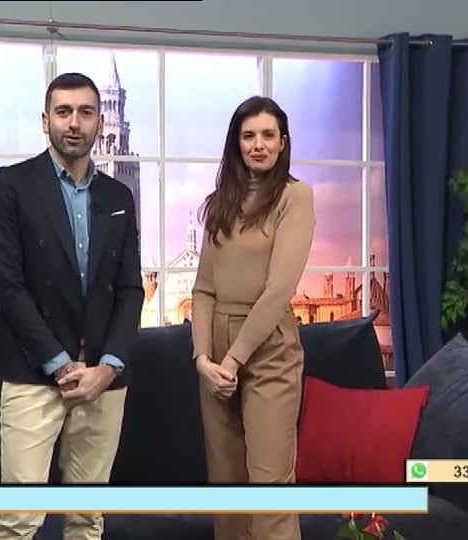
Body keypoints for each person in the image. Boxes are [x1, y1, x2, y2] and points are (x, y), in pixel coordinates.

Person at [0, 72, 144, 540]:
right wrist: (61, 365)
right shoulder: (12, 184)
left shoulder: (118, 196)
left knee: (87, 519)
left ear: (100, 122)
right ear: (46, 120)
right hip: (32, 372)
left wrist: (107, 368)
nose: (74, 123)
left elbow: (130, 290)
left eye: (86, 112)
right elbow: (7, 286)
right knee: (18, 521)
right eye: (64, 112)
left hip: (103, 380)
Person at [191, 96, 316, 540]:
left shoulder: (295, 197)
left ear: (283, 142)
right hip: (215, 353)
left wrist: (233, 360)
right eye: (248, 136)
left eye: (267, 135)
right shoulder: (220, 203)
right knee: (226, 488)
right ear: (237, 144)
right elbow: (203, 289)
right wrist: (203, 359)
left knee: (268, 487)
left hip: (268, 346)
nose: (258, 145)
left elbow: (278, 290)